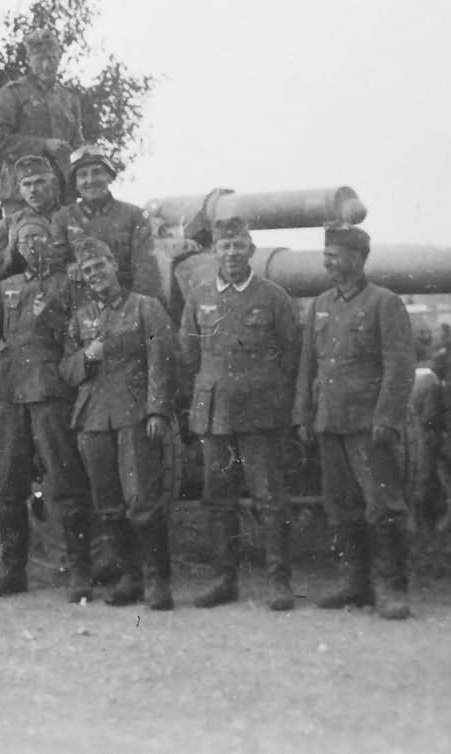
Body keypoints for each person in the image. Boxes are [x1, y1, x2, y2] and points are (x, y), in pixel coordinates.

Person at [294, 224, 416, 620]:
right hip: (329, 421)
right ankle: (356, 584)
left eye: (335, 254)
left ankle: (392, 588)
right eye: (325, 253)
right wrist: (303, 415)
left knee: (383, 506)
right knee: (342, 507)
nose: (327, 260)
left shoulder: (385, 303)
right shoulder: (320, 304)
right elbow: (307, 366)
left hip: (368, 425)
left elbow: (400, 366)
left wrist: (387, 417)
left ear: (358, 259)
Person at [179, 217, 301, 611]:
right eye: (224, 246)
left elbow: (291, 354)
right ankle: (223, 579)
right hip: (216, 414)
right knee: (218, 499)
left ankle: (278, 581)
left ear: (251, 249)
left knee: (269, 498)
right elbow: (188, 354)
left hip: (261, 414)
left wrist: (267, 391)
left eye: (238, 246)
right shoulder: (198, 296)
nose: (231, 253)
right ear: (214, 251)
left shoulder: (273, 297)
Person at [60, 237, 179, 611]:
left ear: (114, 266)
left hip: (134, 415)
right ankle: (130, 576)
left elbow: (163, 360)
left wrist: (157, 411)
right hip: (94, 417)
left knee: (142, 498)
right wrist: (86, 356)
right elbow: (66, 370)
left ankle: (158, 580)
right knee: (108, 503)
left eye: (100, 266)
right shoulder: (80, 318)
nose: (95, 275)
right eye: (87, 270)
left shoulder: (146, 308)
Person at [0, 212, 93, 602]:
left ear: (51, 242)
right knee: (8, 484)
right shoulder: (5, 287)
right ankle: (13, 569)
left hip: (51, 392)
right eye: (26, 240)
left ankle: (80, 569)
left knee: (65, 481)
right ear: (16, 247)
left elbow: (83, 334)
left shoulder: (70, 284)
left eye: (40, 238)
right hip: (10, 395)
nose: (34, 246)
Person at [0, 28, 84, 215]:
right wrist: (42, 145)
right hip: (22, 197)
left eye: (52, 58)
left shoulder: (69, 98)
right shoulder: (11, 94)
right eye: (40, 59)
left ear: (59, 58)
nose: (47, 65)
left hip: (62, 196)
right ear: (29, 61)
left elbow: (77, 145)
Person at [51, 146, 160, 298]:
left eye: (97, 172)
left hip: (124, 299)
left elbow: (145, 270)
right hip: (81, 304)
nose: (90, 180)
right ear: (75, 183)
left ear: (109, 177)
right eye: (82, 175)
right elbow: (54, 266)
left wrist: (133, 308)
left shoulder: (134, 215)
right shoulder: (63, 218)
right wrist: (69, 267)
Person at [0, 154, 62, 285]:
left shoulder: (70, 216)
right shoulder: (10, 223)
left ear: (53, 183)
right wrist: (12, 249)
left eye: (40, 182)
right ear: (19, 189)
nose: (33, 190)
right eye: (27, 184)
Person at [406, 348, 451, 533]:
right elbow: (430, 416)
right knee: (424, 477)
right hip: (424, 433)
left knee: (417, 476)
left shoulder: (421, 376)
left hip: (411, 430)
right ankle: (421, 524)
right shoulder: (433, 383)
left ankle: (416, 522)